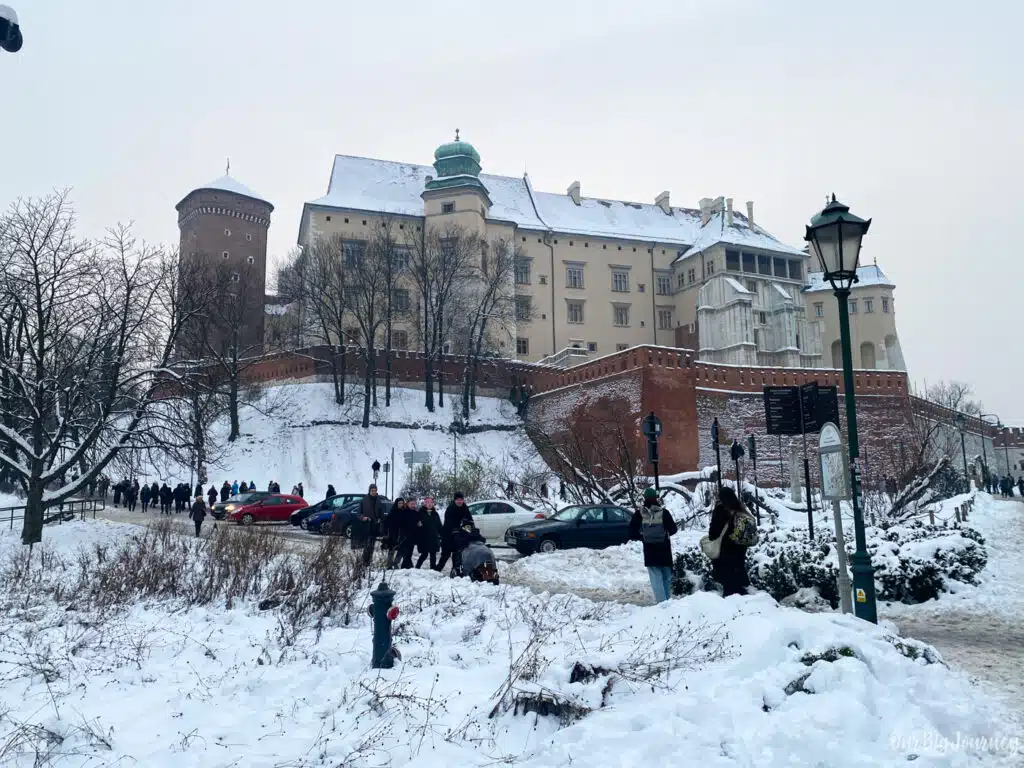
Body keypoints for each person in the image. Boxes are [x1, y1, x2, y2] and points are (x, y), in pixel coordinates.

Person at [629, 487, 678, 604]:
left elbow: (631, 532)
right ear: (656, 499)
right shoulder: (664, 513)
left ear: (645, 498)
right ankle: (668, 602)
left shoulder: (640, 514)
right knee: (666, 577)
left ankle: (662, 604)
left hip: (650, 551)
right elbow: (673, 529)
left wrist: (643, 537)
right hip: (664, 550)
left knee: (656, 578)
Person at [708, 486, 753, 597]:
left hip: (726, 548)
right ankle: (742, 596)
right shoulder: (740, 508)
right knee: (737, 571)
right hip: (740, 546)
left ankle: (731, 602)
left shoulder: (720, 509)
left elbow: (713, 531)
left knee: (728, 579)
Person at [436, 492, 473, 572]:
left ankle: (455, 571)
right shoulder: (450, 508)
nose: (459, 501)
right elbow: (448, 523)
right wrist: (455, 529)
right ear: (455, 500)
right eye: (458, 500)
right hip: (448, 536)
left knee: (457, 555)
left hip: (459, 536)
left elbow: (470, 521)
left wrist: (467, 528)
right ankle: (437, 570)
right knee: (445, 555)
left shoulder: (465, 508)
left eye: (461, 500)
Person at [356, 484, 386, 565]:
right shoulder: (364, 500)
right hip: (366, 525)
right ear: (369, 491)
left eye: (375, 490)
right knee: (367, 545)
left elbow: (381, 512)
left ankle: (368, 562)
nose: (374, 492)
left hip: (375, 525)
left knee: (372, 545)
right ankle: (364, 562)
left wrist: (380, 518)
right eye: (372, 490)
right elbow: (358, 513)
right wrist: (363, 517)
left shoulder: (379, 500)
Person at [415, 497, 442, 569]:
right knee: (424, 554)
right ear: (425, 504)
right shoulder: (420, 513)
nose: (429, 504)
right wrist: (418, 525)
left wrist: (441, 534)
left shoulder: (435, 514)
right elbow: (417, 524)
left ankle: (432, 568)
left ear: (433, 504)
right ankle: (417, 567)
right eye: (427, 503)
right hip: (424, 537)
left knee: (433, 553)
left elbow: (439, 525)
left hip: (433, 537)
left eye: (431, 503)